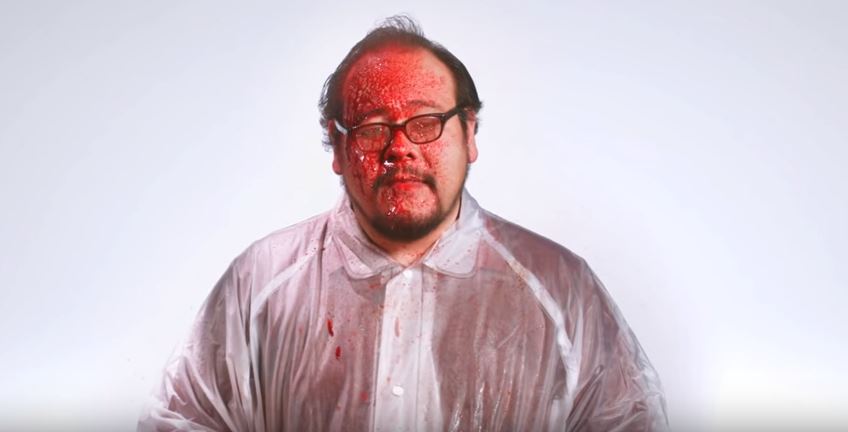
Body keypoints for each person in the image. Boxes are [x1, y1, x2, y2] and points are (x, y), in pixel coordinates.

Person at [139, 16, 668, 432]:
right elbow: (183, 421)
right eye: (372, 128)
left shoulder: (558, 288)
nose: (400, 148)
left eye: (425, 122)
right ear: (337, 147)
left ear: (470, 133)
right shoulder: (261, 283)